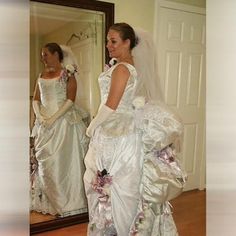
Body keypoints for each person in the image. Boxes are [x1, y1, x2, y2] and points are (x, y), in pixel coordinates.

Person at [83, 23, 187, 235]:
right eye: (107, 41)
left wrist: (91, 127)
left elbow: (111, 105)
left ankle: (121, 227)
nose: (108, 45)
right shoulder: (124, 65)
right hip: (116, 130)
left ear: (127, 42)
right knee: (116, 184)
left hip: (117, 133)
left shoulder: (122, 68)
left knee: (118, 186)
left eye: (113, 41)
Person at [30, 43, 89, 217]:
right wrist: (40, 117)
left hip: (63, 123)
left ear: (56, 54)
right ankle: (53, 201)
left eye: (46, 54)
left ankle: (70, 203)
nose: (43, 58)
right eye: (42, 55)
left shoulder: (68, 74)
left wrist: (53, 118)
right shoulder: (41, 75)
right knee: (46, 166)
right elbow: (36, 99)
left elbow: (70, 100)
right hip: (44, 123)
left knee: (64, 164)